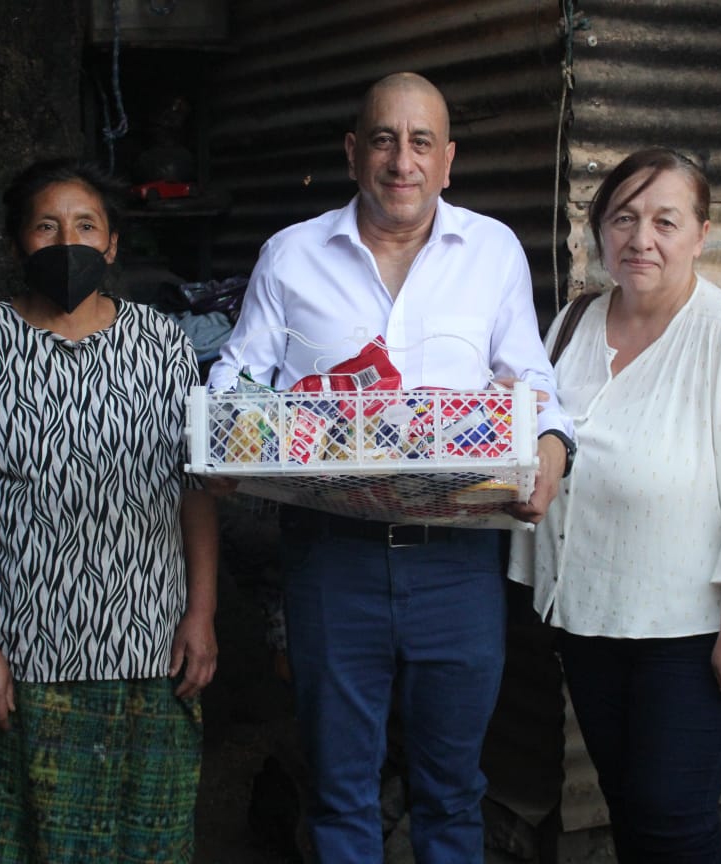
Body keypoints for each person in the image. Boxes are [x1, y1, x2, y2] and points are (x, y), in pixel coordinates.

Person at [207, 72, 575, 863]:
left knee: (451, 789)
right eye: (382, 139)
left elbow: (532, 380)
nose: (400, 160)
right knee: (341, 789)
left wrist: (551, 444)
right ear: (352, 153)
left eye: (419, 142)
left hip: (458, 564)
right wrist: (222, 437)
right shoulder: (292, 254)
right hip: (330, 560)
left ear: (448, 160)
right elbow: (237, 377)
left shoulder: (492, 252)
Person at [509, 147, 721, 863]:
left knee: (669, 816)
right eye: (623, 218)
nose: (640, 239)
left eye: (664, 220)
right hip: (595, 617)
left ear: (701, 235)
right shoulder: (573, 324)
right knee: (634, 810)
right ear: (600, 230)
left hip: (704, 629)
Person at [0, 158, 218, 863]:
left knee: (144, 840)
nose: (68, 242)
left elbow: (195, 490)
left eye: (86, 226)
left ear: (114, 244)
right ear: (15, 245)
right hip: (19, 652)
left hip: (150, 646)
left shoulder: (162, 346)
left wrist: (202, 615)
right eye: (46, 226)